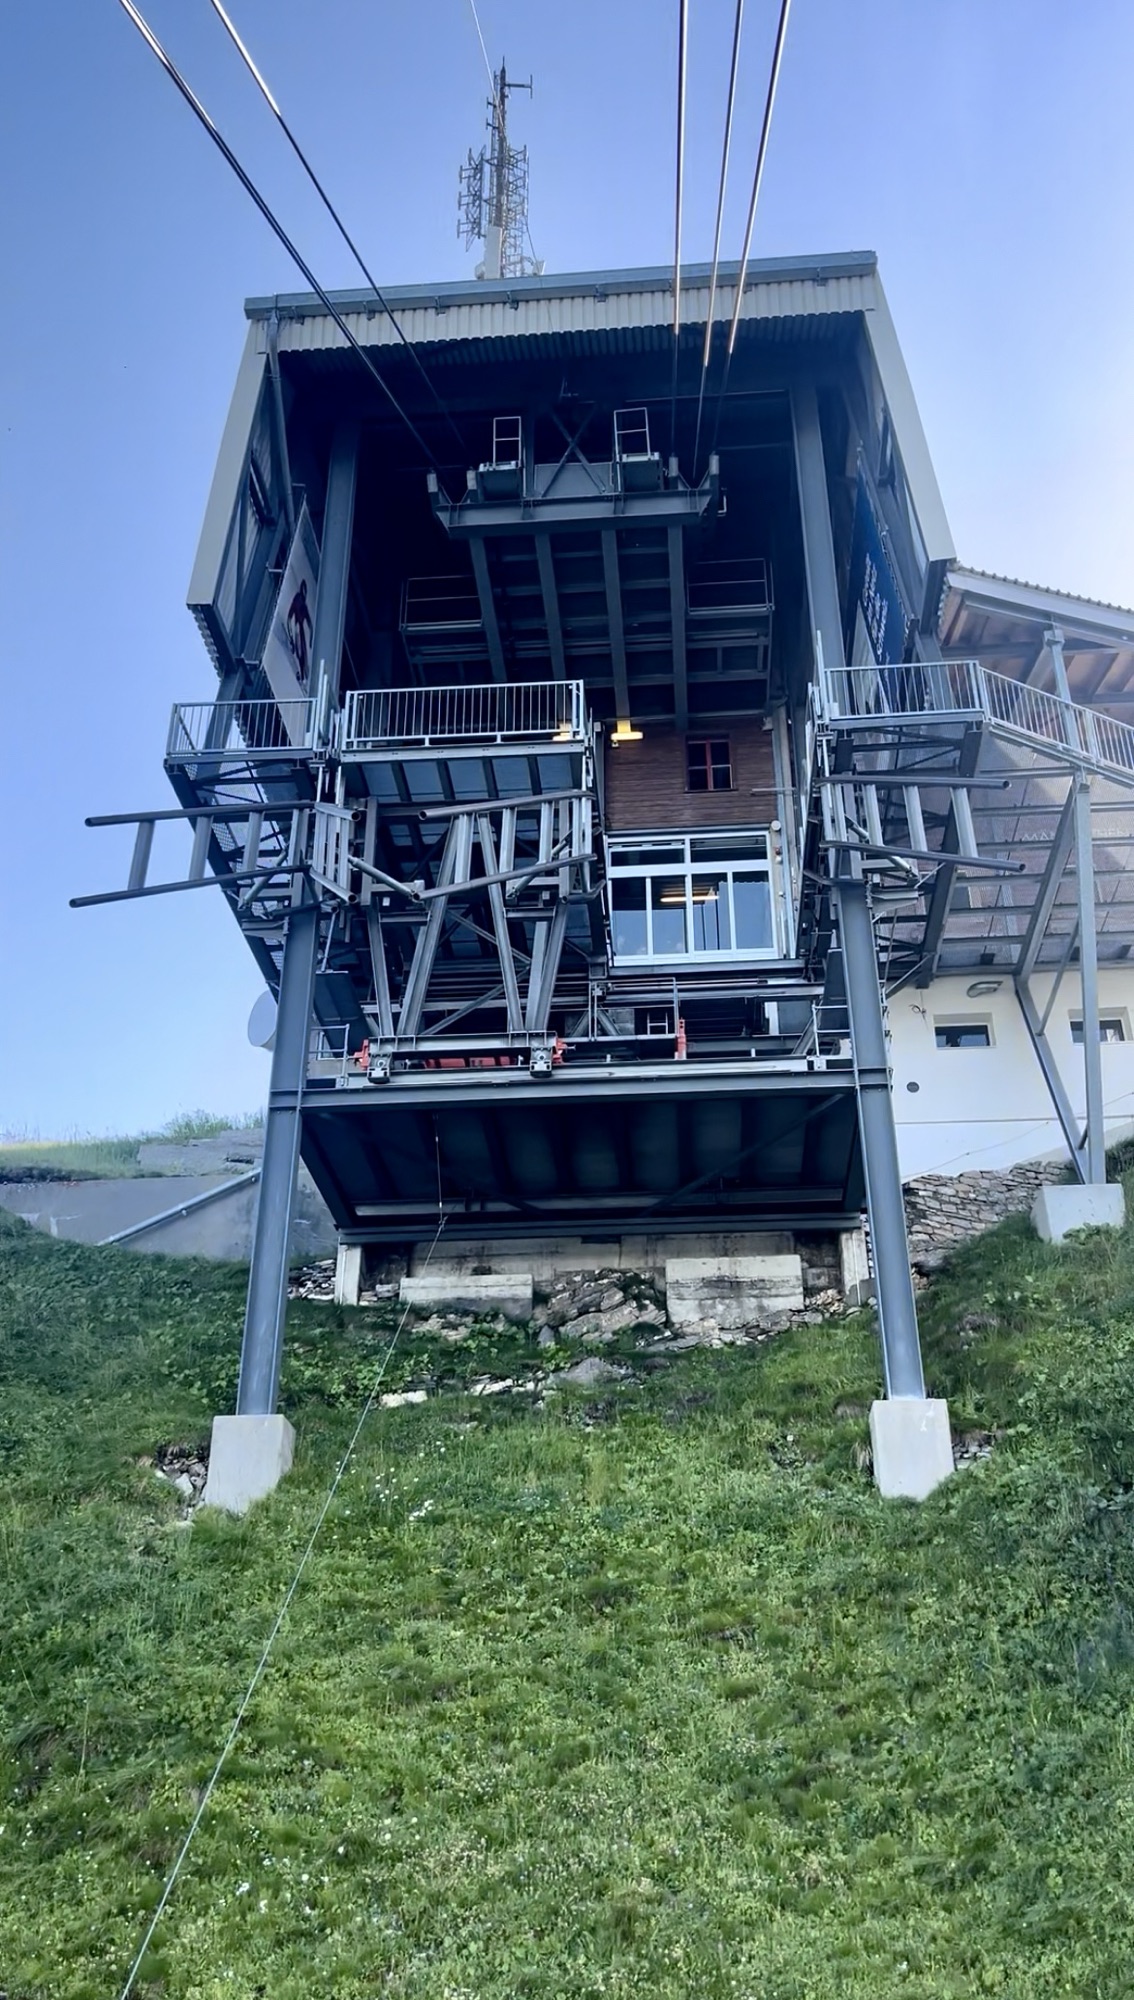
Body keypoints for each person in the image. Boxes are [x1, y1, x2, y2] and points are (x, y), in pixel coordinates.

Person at [286, 575, 313, 683]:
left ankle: (302, 675)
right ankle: (302, 676)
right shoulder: (298, 601)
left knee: (301, 651)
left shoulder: (303, 605)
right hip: (297, 627)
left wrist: (310, 639)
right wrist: (291, 638)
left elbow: (310, 625)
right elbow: (289, 618)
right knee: (300, 651)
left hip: (298, 628)